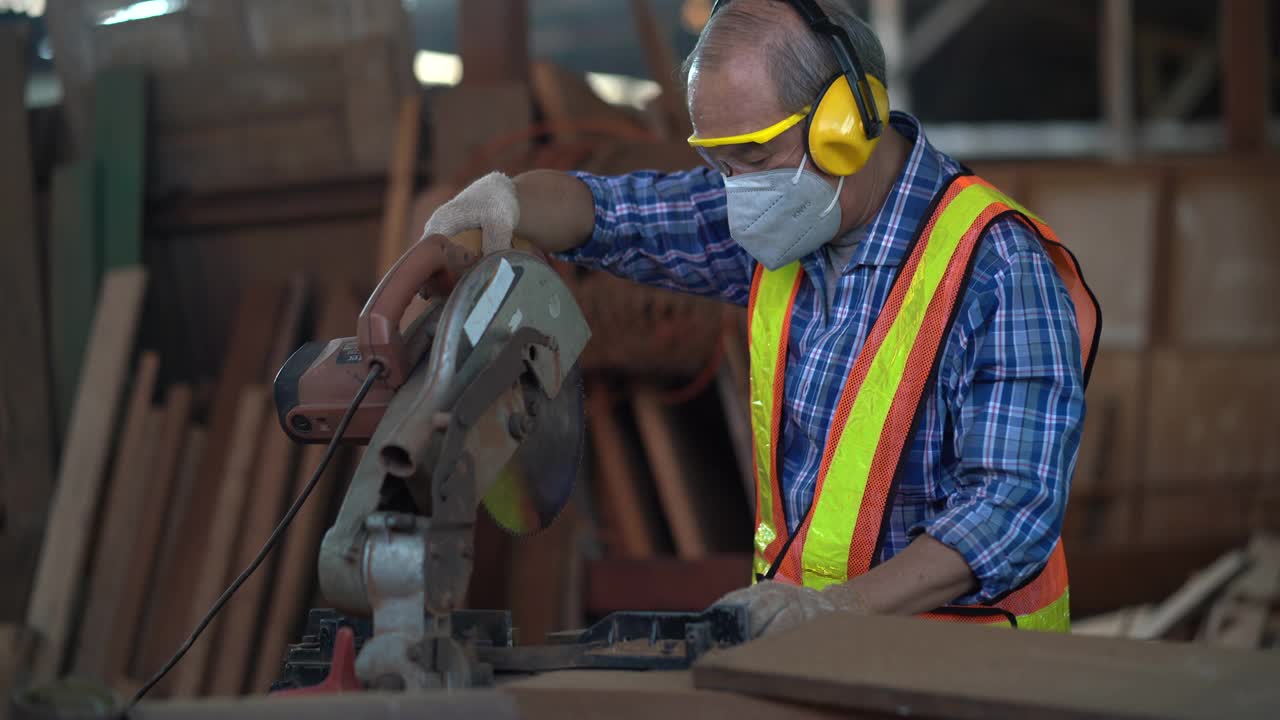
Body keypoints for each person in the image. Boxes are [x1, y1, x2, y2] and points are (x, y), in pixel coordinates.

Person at [423, 0, 1100, 638]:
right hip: (815, 661)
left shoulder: (996, 267)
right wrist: (506, 201)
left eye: (751, 157)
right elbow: (616, 215)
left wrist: (839, 609)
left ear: (847, 124)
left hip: (968, 677)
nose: (739, 194)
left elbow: (1012, 509)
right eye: (718, 164)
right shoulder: (789, 219)